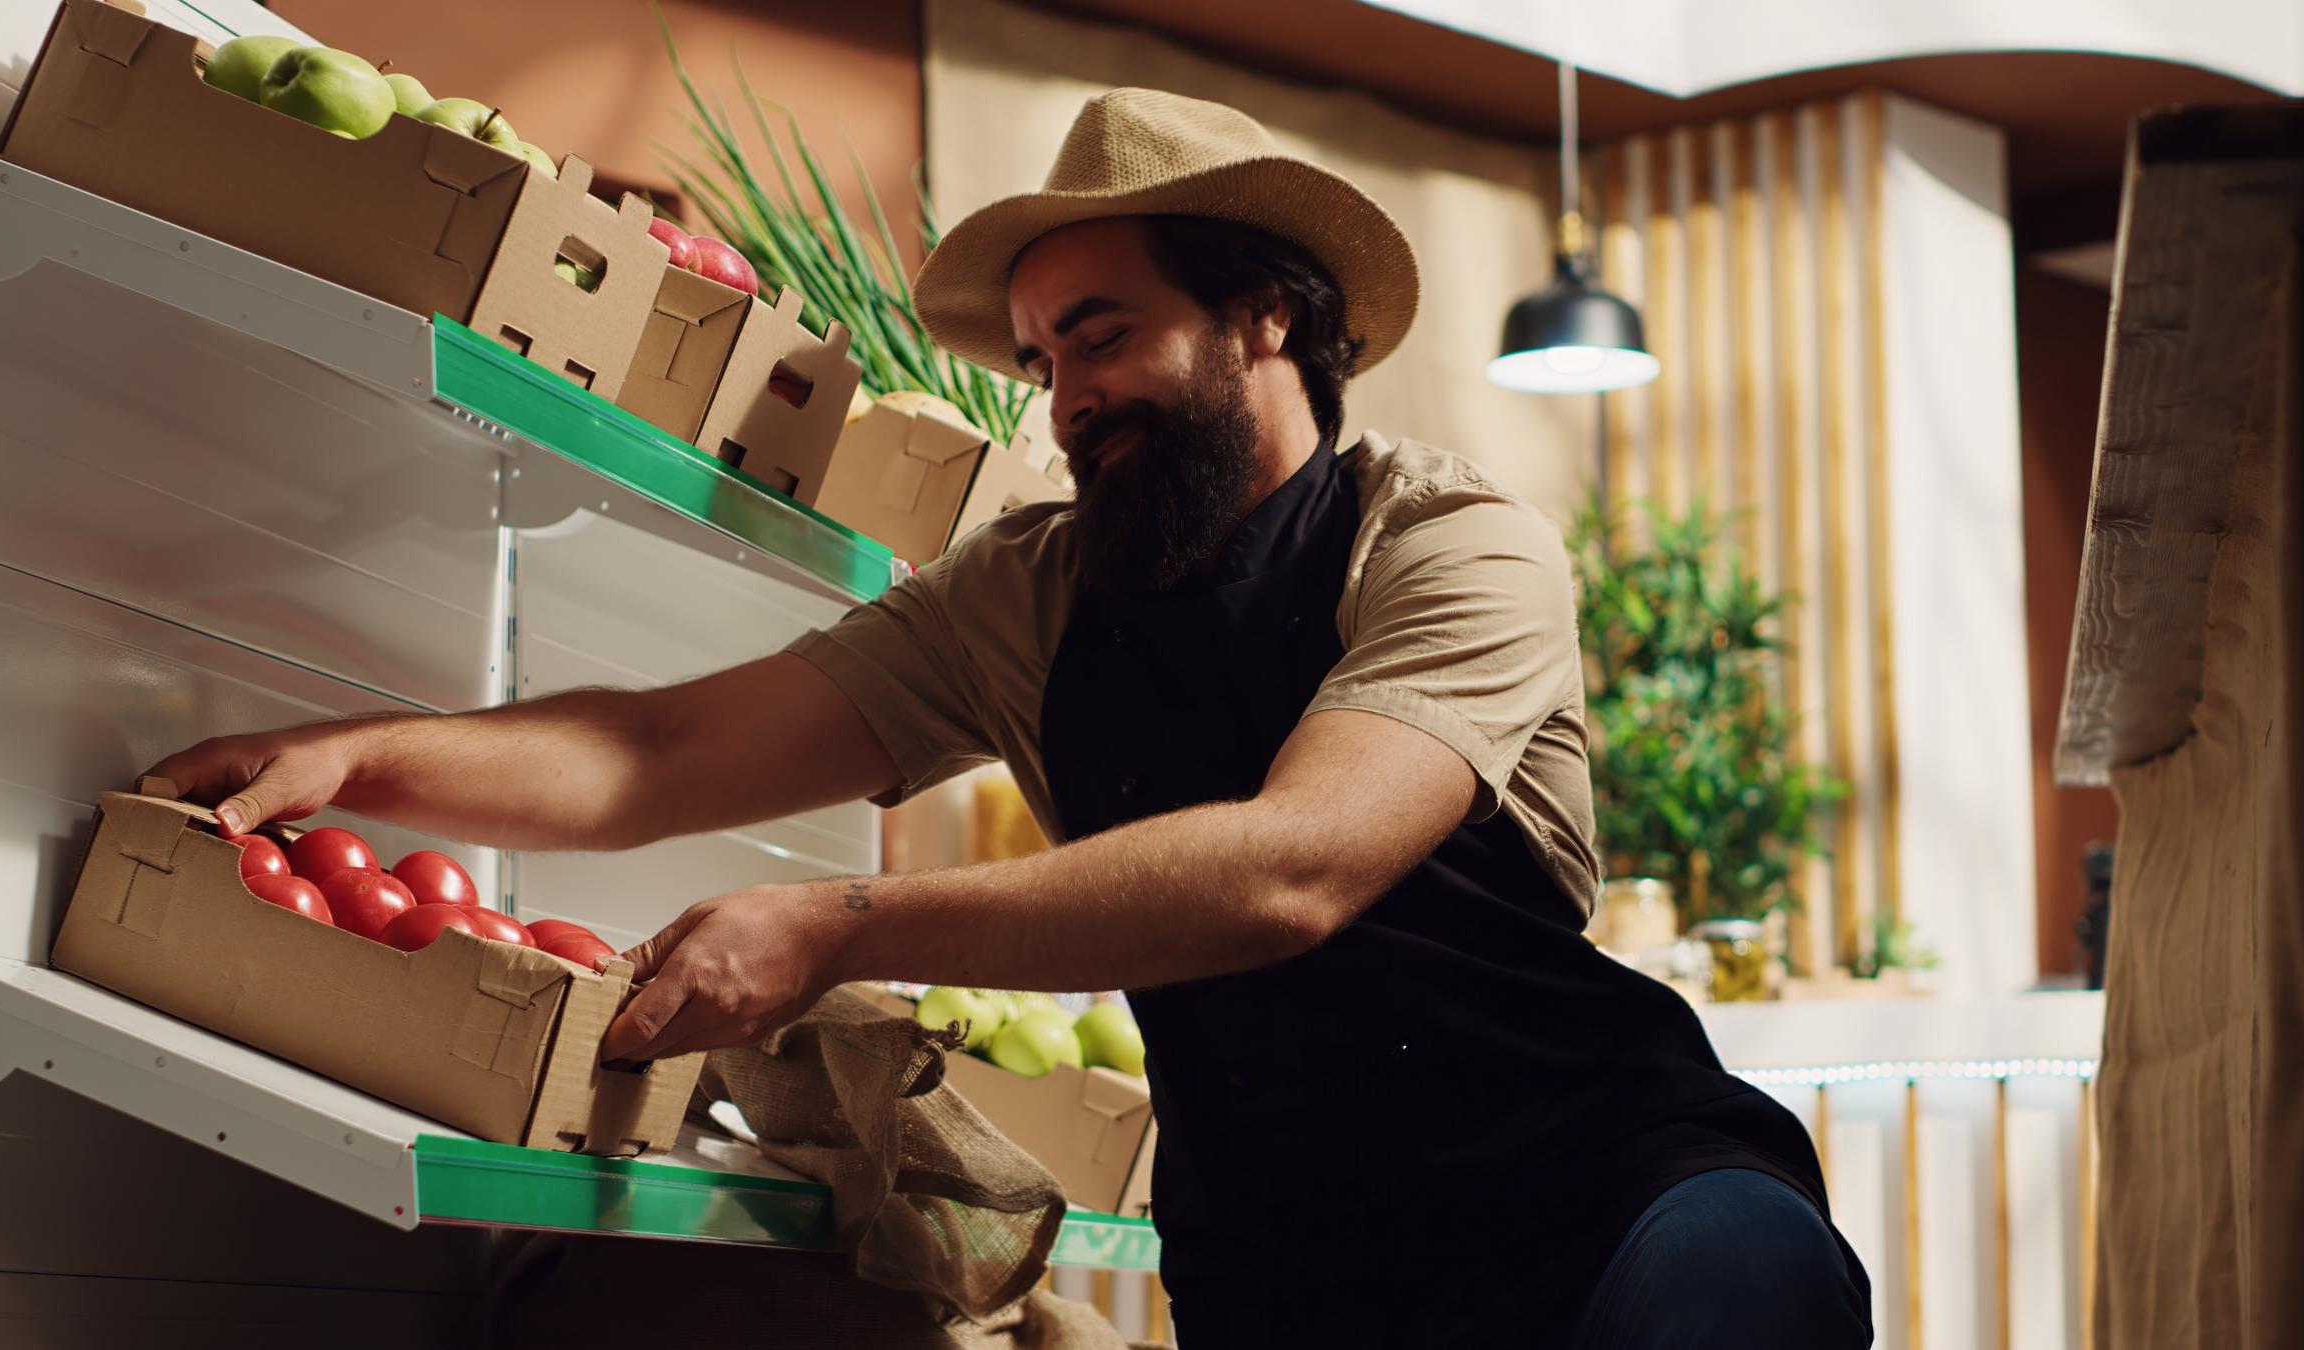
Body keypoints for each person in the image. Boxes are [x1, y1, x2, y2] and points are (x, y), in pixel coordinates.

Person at [153, 89, 1870, 1348]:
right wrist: (362, 752)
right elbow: (661, 752)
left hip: (1619, 1207)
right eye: (1045, 362)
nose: (1066, 405)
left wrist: (840, 921)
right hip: (1295, 1266)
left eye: (1104, 338)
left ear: (1269, 314)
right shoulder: (1027, 596)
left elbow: (1296, 867)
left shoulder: (1444, 540)